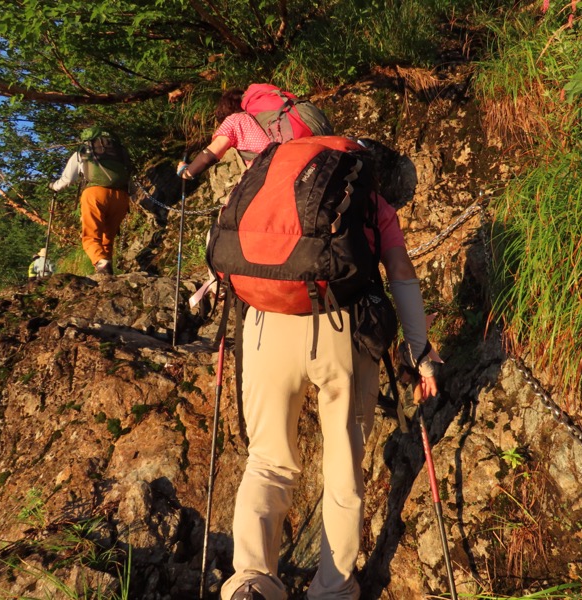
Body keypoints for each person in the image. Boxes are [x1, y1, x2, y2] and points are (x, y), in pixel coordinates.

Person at [220, 143, 438, 600]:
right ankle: (333, 589)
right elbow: (398, 268)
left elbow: (221, 248)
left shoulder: (264, 180)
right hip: (340, 328)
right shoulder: (366, 198)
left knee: (267, 463)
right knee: (342, 468)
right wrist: (419, 351)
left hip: (263, 324)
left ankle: (251, 582)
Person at [177, 84, 328, 181]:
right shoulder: (267, 116)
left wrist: (186, 171)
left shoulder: (234, 120)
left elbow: (210, 154)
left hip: (283, 170)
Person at [50, 127, 132, 275]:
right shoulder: (120, 152)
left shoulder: (83, 152)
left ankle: (101, 263)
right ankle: (106, 272)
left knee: (91, 236)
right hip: (121, 196)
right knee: (108, 238)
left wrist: (53, 187)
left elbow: (67, 180)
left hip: (95, 194)